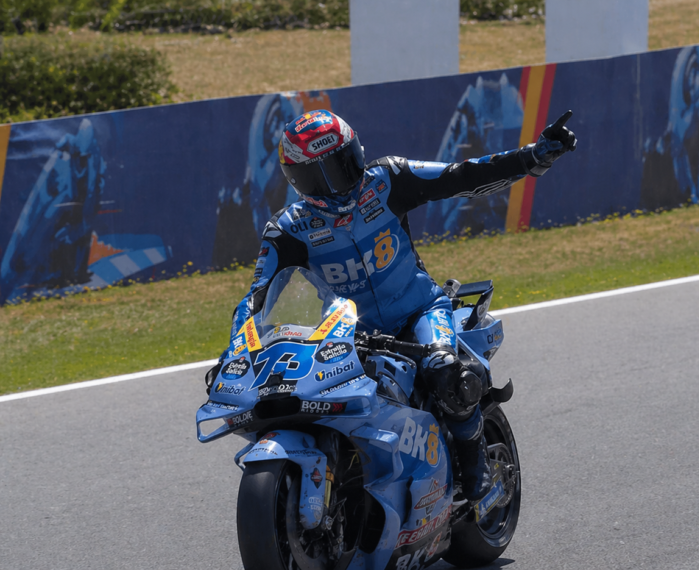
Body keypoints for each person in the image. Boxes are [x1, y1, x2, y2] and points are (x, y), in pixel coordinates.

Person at [211, 108, 577, 500]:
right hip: (352, 333)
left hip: (420, 310)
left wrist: (532, 157)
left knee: (444, 369)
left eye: (341, 166)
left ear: (357, 153)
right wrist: (236, 351)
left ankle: (476, 469)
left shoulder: (388, 179)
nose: (334, 185)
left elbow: (462, 176)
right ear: (295, 180)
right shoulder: (288, 228)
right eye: (317, 176)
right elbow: (256, 297)